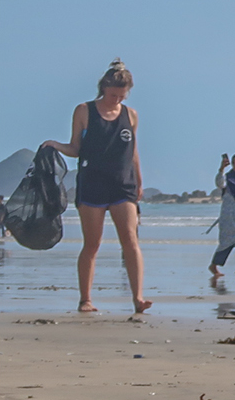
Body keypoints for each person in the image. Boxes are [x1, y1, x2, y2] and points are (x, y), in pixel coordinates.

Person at [41, 59, 152, 313]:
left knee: (130, 241)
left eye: (121, 96)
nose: (117, 100)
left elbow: (133, 152)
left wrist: (139, 181)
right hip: (92, 184)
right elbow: (75, 148)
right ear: (104, 88)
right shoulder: (84, 110)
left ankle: (138, 298)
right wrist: (55, 145)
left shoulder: (131, 115)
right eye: (113, 95)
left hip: (123, 185)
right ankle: (86, 300)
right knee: (93, 243)